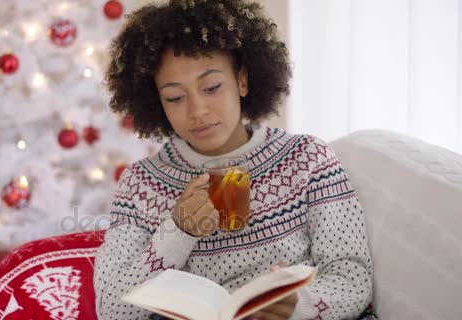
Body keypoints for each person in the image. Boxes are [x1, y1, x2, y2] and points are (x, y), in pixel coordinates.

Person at [94, 0, 374, 319]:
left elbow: (353, 276)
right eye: (175, 97)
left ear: (242, 81)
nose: (197, 111)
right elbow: (111, 310)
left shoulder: (308, 158)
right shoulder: (141, 183)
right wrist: (177, 232)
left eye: (212, 87)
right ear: (157, 101)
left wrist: (300, 306)